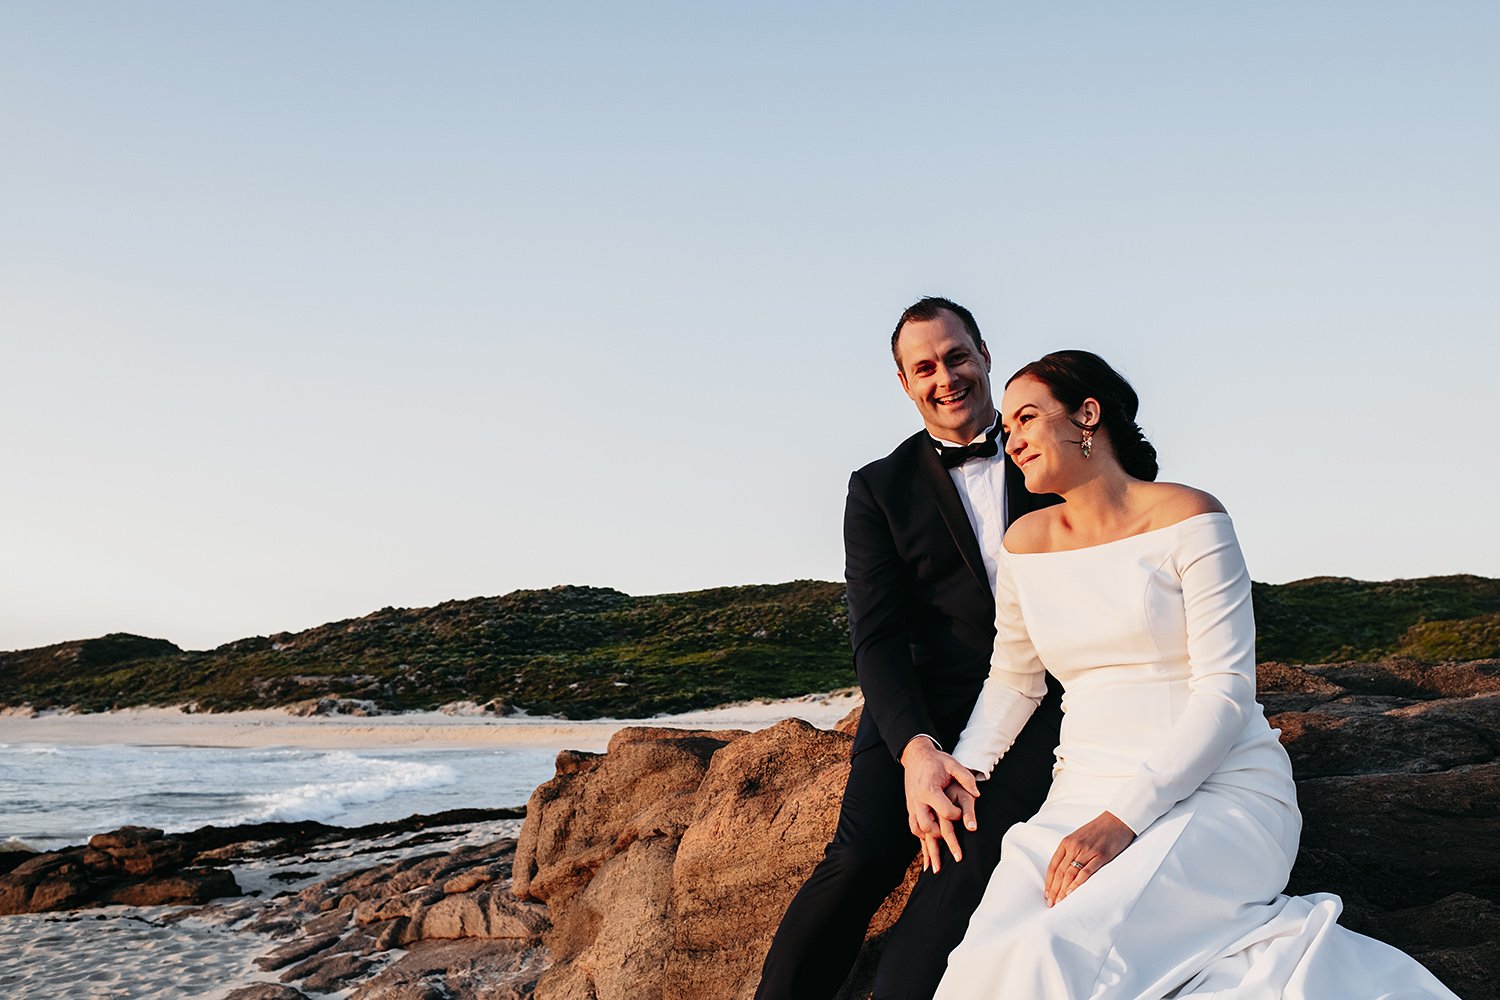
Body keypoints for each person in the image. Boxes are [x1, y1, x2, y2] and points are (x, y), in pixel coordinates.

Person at [917, 350, 1461, 999]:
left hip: (1217, 794)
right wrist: (961, 771)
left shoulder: (1189, 518)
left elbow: (1226, 696)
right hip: (1079, 797)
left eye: (1028, 418)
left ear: (1087, 415)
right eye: (1007, 429)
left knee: (1053, 951)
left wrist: (1121, 821)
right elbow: (1015, 680)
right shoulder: (1023, 544)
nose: (1014, 440)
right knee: (978, 969)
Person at [755, 297, 1065, 1000]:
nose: (945, 377)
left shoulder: (1049, 459)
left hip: (1038, 702)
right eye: (924, 367)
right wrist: (917, 751)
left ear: (986, 355)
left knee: (960, 858)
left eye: (957, 356)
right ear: (905, 384)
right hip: (922, 702)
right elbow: (877, 636)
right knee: (861, 857)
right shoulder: (877, 488)